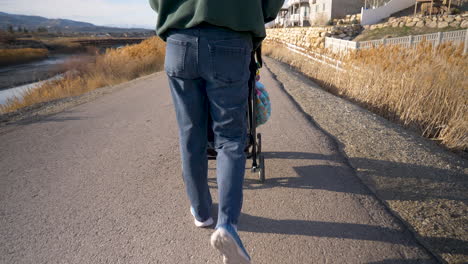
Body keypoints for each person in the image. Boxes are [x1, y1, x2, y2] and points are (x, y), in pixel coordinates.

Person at [149, 1, 284, 263]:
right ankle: (227, 225)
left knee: (190, 134)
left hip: (180, 40)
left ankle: (201, 212)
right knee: (231, 138)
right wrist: (257, 12)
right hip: (232, 39)